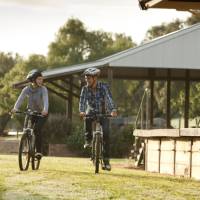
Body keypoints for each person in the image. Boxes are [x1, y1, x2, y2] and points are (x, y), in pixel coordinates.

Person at [79, 67, 117, 171]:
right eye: (86, 79)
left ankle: (106, 161)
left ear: (95, 78)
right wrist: (81, 111)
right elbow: (82, 101)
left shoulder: (103, 87)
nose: (87, 81)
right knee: (87, 119)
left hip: (103, 113)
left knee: (106, 134)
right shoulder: (85, 89)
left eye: (89, 79)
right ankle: (88, 140)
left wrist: (113, 109)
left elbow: (109, 98)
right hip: (91, 112)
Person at [12, 69, 49, 159]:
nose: (41, 81)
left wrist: (45, 109)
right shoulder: (27, 89)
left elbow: (45, 100)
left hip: (42, 114)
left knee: (36, 130)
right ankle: (26, 149)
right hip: (31, 112)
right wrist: (15, 108)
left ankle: (39, 152)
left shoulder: (43, 89)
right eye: (39, 79)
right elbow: (20, 99)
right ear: (33, 80)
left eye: (42, 79)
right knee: (25, 130)